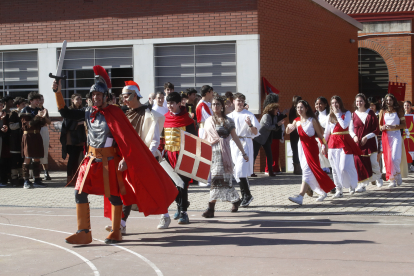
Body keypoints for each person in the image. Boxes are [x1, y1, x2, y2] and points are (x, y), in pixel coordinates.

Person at [51, 65, 177, 245]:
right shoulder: (87, 112)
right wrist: (58, 92)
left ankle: (117, 231)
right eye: (93, 95)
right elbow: (65, 112)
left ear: (105, 97)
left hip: (109, 162)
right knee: (79, 192)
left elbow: (126, 140)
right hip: (90, 161)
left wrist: (126, 159)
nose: (96, 98)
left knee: (114, 196)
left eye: (99, 95)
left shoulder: (115, 112)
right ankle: (84, 232)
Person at [104, 80, 166, 232]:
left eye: (126, 96)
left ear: (135, 96)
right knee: (126, 189)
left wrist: (147, 157)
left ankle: (165, 214)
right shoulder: (123, 113)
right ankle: (121, 223)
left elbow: (154, 139)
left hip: (143, 157)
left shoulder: (150, 115)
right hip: (123, 157)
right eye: (122, 96)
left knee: (153, 188)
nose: (124, 99)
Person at [202, 95, 247, 218]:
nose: (215, 106)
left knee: (220, 180)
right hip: (213, 153)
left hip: (224, 153)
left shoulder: (228, 121)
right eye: (213, 104)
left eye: (218, 104)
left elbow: (235, 137)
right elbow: (204, 138)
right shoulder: (208, 121)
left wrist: (243, 152)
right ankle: (236, 200)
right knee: (222, 181)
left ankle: (211, 208)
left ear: (222, 106)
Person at [287, 100, 335, 205]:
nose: (299, 109)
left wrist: (324, 145)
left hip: (312, 148)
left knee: (308, 171)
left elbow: (320, 135)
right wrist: (288, 127)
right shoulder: (296, 121)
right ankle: (321, 191)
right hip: (302, 148)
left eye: (301, 107)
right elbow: (288, 131)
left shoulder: (312, 120)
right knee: (307, 170)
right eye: (298, 108)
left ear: (306, 108)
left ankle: (300, 196)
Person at [163, 92, 197, 224]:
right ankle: (180, 205)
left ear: (179, 103)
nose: (170, 106)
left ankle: (183, 212)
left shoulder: (187, 120)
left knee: (182, 184)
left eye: (172, 103)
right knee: (172, 185)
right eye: (168, 103)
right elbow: (161, 139)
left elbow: (193, 140)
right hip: (168, 156)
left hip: (182, 156)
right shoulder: (164, 118)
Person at [324, 95, 362, 198]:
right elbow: (327, 132)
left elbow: (345, 125)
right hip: (332, 143)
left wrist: (337, 114)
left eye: (336, 102)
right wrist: (323, 144)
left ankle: (351, 184)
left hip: (345, 142)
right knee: (335, 169)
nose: (334, 105)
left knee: (344, 167)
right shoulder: (329, 116)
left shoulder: (347, 113)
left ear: (340, 103)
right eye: (332, 103)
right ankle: (339, 189)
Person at [228, 93, 261, 207]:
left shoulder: (249, 115)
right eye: (238, 100)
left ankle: (247, 195)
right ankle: (245, 196)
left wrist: (250, 125)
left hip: (245, 143)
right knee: (236, 172)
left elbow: (256, 132)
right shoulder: (230, 116)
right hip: (233, 144)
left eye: (242, 101)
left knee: (241, 170)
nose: (240, 103)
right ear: (233, 101)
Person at [349, 93, 381, 192]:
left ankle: (378, 177)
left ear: (364, 102)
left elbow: (376, 130)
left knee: (373, 162)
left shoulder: (370, 113)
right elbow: (350, 129)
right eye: (357, 101)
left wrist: (366, 137)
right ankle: (362, 185)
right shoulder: (353, 114)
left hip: (370, 142)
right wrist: (354, 136)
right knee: (359, 164)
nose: (359, 103)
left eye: (361, 101)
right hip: (358, 143)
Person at [20, 92, 48, 189]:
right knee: (27, 158)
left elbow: (43, 124)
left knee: (37, 158)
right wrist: (37, 116)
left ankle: (37, 179)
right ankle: (26, 180)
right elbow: (27, 125)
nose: (38, 102)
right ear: (31, 101)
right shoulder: (25, 110)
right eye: (36, 100)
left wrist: (43, 117)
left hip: (37, 135)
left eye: (38, 100)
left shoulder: (39, 110)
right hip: (28, 136)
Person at [379, 94, 408, 187]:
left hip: (396, 135)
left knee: (395, 157)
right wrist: (382, 127)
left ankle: (398, 173)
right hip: (386, 136)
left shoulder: (399, 110)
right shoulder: (382, 111)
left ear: (393, 101)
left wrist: (394, 126)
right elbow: (379, 126)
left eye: (390, 100)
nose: (388, 102)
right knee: (388, 158)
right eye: (387, 100)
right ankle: (392, 180)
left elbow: (404, 125)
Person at [60, 93, 87, 185]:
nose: (79, 101)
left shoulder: (83, 110)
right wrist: (79, 123)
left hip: (80, 137)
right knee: (72, 158)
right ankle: (69, 179)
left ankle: (76, 178)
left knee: (77, 159)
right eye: (77, 99)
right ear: (72, 100)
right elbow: (67, 124)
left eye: (80, 99)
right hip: (71, 138)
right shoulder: (70, 110)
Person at [252, 103, 285, 177]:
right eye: (276, 109)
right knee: (254, 155)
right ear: (271, 109)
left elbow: (274, 128)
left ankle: (270, 171)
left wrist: (279, 125)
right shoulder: (266, 116)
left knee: (269, 155)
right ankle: (251, 171)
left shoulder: (275, 117)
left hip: (267, 138)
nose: (277, 110)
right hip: (259, 137)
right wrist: (277, 125)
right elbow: (267, 126)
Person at [262, 93, 284, 175]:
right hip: (271, 134)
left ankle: (275, 168)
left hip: (276, 133)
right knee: (270, 152)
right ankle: (268, 168)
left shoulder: (274, 110)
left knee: (275, 152)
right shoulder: (269, 111)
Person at [7, 97, 27, 187]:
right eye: (23, 104)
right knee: (15, 160)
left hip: (23, 139)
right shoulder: (14, 113)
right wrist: (21, 124)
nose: (24, 106)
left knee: (22, 159)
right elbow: (11, 126)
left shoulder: (25, 113)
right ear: (18, 105)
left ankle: (21, 177)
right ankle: (14, 178)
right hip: (15, 140)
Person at [368, 97, 384, 180]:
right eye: (370, 105)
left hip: (379, 137)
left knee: (378, 156)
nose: (371, 107)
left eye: (373, 105)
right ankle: (373, 175)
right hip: (369, 138)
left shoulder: (379, 113)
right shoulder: (367, 114)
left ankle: (378, 176)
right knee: (371, 158)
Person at [38, 94, 52, 180]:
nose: (41, 101)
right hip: (35, 130)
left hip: (43, 130)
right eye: (39, 99)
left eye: (42, 99)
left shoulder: (44, 109)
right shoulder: (33, 110)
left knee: (44, 151)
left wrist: (44, 115)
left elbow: (49, 122)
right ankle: (34, 173)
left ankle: (46, 172)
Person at [0, 96, 13, 187]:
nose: (1, 107)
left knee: (3, 160)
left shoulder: (5, 113)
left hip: (3, 139)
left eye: (1, 105)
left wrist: (5, 129)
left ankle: (3, 179)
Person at [289, 96, 302, 174]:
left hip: (292, 133)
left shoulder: (291, 109)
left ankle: (296, 169)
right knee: (298, 150)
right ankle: (298, 168)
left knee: (295, 151)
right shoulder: (295, 110)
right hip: (296, 132)